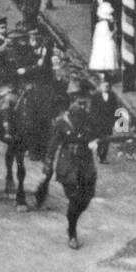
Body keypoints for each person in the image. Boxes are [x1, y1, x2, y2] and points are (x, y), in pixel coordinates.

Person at [39, 82, 98, 250]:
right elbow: (53, 144)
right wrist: (48, 163)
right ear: (72, 102)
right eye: (79, 103)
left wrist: (95, 141)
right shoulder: (62, 122)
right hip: (68, 165)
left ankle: (73, 220)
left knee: (87, 198)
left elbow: (96, 134)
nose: (82, 106)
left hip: (86, 163)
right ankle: (72, 232)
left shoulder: (89, 119)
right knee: (74, 198)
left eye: (84, 103)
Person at [89, 76, 123, 163]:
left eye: (107, 86)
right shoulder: (95, 96)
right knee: (100, 138)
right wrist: (93, 121)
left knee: (107, 139)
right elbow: (92, 110)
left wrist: (116, 120)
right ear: (101, 86)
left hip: (108, 121)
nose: (106, 88)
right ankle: (99, 151)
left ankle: (103, 157)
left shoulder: (112, 96)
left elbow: (115, 108)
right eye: (104, 86)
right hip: (98, 121)